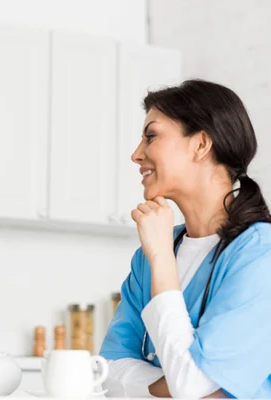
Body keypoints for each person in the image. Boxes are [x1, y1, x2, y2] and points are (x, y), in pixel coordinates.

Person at [100, 79, 271, 398]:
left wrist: (163, 258)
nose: (137, 155)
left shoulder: (261, 254)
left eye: (151, 136)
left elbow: (191, 385)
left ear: (201, 144)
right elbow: (107, 370)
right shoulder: (151, 253)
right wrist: (174, 385)